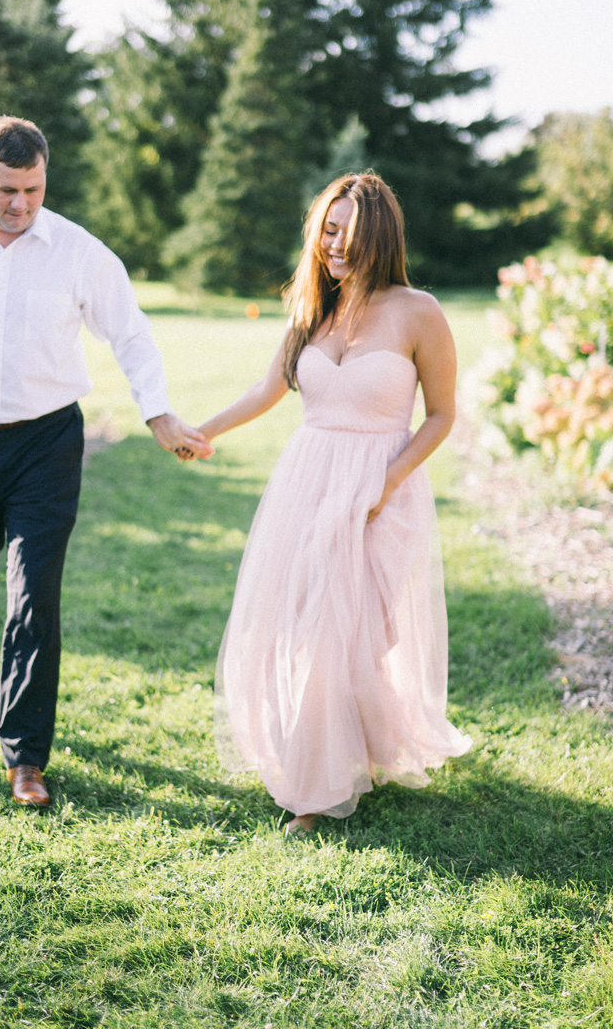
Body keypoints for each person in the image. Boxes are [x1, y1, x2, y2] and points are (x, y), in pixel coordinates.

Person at [0, 115, 211, 807]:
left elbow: (131, 335)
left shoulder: (78, 253)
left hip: (46, 443)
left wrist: (158, 412)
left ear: (47, 178)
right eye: (8, 190)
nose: (20, 205)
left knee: (33, 596)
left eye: (34, 190)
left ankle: (25, 757)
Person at [195, 172, 472, 833]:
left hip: (381, 489)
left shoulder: (418, 312)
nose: (334, 245)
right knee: (308, 626)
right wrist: (199, 433)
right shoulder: (310, 308)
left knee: (354, 635)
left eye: (347, 232)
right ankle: (316, 785)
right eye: (327, 228)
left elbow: (440, 416)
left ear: (381, 236)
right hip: (306, 484)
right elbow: (268, 390)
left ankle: (339, 767)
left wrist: (388, 481)